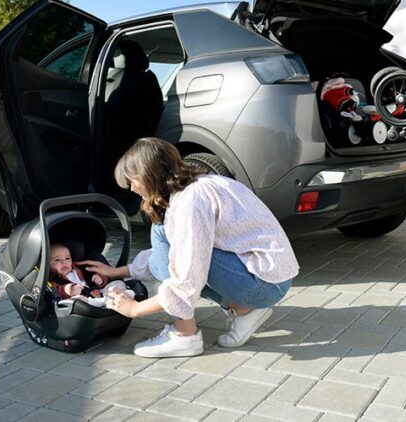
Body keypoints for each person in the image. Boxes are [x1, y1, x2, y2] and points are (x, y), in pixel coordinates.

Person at [80, 137, 299, 358]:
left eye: (132, 181)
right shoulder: (199, 184)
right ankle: (245, 311)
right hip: (269, 278)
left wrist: (135, 309)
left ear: (148, 173)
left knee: (164, 236)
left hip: (264, 284)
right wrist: (118, 272)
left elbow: (186, 276)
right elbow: (165, 258)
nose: (132, 188)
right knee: (164, 243)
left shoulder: (190, 201)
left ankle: (186, 335)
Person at [48, 243, 133, 307]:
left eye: (67, 258)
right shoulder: (53, 278)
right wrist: (69, 289)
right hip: (84, 300)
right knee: (76, 301)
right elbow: (56, 289)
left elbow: (93, 273)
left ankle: (115, 295)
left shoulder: (79, 267)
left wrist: (99, 278)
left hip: (98, 292)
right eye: (57, 260)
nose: (64, 262)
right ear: (48, 264)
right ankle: (109, 300)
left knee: (117, 283)